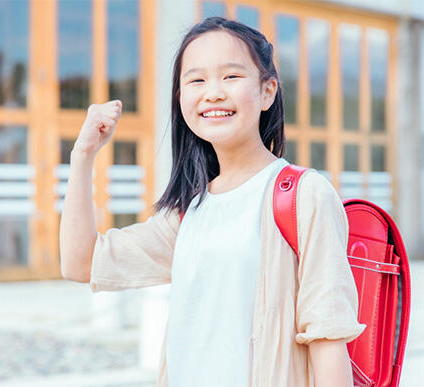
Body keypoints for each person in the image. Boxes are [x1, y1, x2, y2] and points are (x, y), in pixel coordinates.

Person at [59, 16, 364, 387]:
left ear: (268, 91)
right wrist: (83, 155)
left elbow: (328, 334)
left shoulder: (304, 194)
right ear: (181, 97)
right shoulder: (189, 212)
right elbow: (82, 263)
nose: (213, 92)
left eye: (231, 77)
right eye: (196, 80)